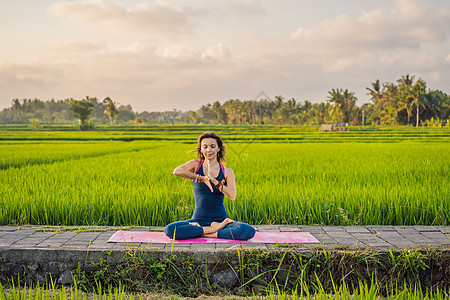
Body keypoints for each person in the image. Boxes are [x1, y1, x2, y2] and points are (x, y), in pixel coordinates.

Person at [164, 132, 256, 240]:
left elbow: (232, 196)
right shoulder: (195, 165)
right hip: (197, 220)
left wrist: (215, 182)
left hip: (221, 220)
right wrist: (201, 178)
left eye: (213, 146)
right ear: (201, 149)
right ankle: (212, 230)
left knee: (248, 231)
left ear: (218, 149)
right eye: (205, 147)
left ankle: (204, 232)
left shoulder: (227, 172)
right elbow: (177, 171)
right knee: (169, 230)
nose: (209, 150)